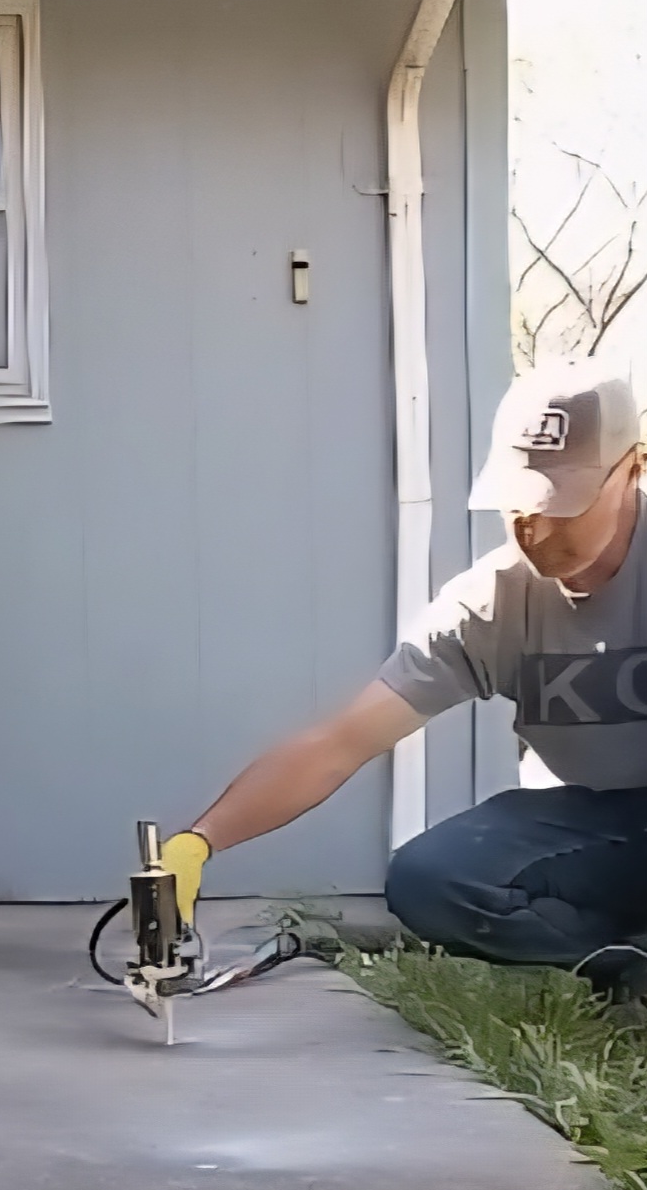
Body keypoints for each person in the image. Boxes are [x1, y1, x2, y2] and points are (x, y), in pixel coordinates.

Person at [162, 361, 647, 1005]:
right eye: (522, 505)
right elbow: (338, 744)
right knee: (433, 878)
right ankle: (623, 963)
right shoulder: (492, 606)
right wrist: (199, 842)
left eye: (567, 504)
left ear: (634, 469)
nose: (541, 530)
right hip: (595, 826)